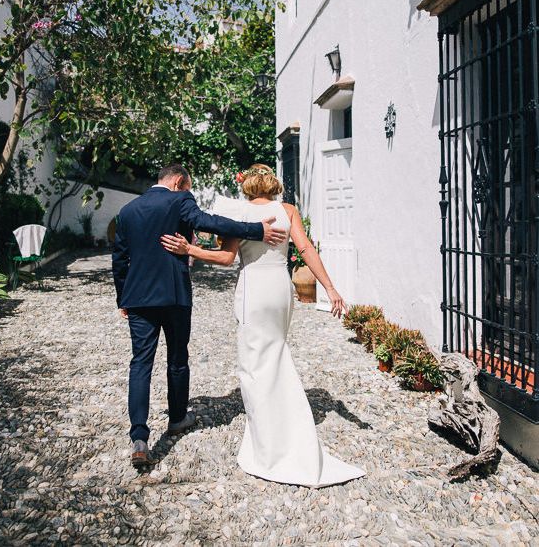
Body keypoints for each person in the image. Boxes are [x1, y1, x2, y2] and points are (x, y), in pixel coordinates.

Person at [160, 164, 365, 487]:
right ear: (274, 185)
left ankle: (268, 444)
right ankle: (290, 426)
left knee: (255, 366)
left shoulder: (238, 213)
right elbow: (306, 249)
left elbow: (226, 259)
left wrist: (190, 250)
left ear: (247, 186)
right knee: (277, 355)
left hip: (254, 289)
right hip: (281, 290)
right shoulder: (287, 210)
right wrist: (330, 288)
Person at [112, 164, 288, 467]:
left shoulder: (127, 211)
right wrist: (256, 230)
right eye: (188, 186)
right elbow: (209, 222)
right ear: (179, 182)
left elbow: (120, 259)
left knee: (140, 363)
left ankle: (140, 437)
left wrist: (122, 297)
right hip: (174, 296)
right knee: (177, 359)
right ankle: (178, 418)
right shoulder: (180, 200)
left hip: (138, 298)